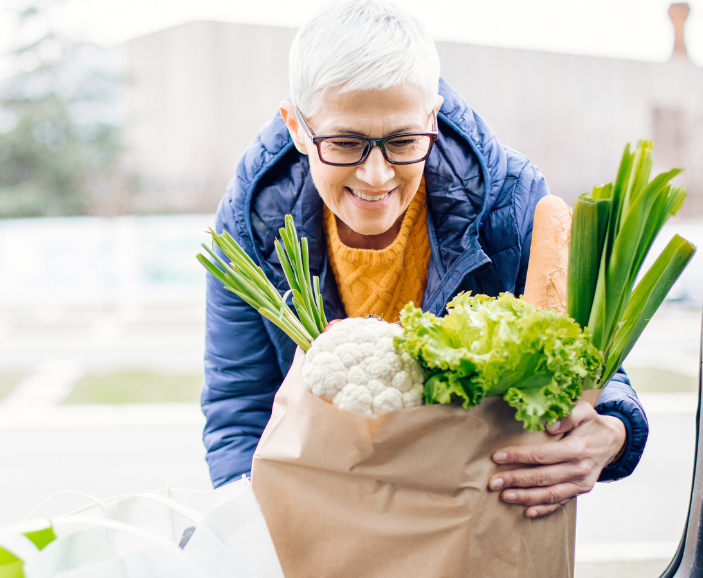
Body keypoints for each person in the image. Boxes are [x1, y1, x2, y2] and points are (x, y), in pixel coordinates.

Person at [201, 0, 647, 518]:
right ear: (298, 126)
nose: (376, 176)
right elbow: (239, 404)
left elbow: (589, 359)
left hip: (473, 515)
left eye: (403, 141)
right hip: (326, 514)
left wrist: (613, 430)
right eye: (345, 143)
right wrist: (244, 529)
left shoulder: (511, 199)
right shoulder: (249, 220)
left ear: (431, 118)